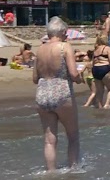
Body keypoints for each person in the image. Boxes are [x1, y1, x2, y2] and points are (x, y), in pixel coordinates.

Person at [33, 18, 82, 171]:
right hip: (61, 92)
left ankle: (51, 173)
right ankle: (74, 170)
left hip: (42, 93)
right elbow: (73, 74)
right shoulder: (64, 47)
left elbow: (35, 78)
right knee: (73, 136)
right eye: (65, 33)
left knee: (49, 140)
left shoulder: (39, 50)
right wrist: (80, 77)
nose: (67, 35)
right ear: (61, 32)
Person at [85, 40, 110, 109]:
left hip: (95, 69)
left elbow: (93, 62)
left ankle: (100, 106)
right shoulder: (107, 48)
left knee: (99, 90)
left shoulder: (96, 50)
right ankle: (107, 104)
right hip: (105, 68)